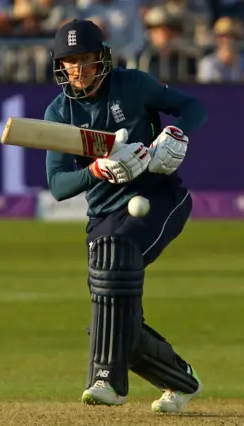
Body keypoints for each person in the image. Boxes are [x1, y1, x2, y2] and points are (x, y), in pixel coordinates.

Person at [43, 19, 208, 413]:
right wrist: (95, 170)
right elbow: (59, 184)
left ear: (101, 58)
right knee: (114, 313)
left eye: (84, 60)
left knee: (114, 266)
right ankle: (180, 380)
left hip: (159, 199)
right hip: (104, 215)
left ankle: (107, 382)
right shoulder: (59, 111)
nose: (77, 70)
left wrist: (177, 135)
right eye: (69, 62)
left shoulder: (134, 85)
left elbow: (193, 107)